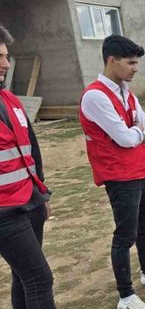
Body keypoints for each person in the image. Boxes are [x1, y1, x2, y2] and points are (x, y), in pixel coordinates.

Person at [79, 35, 145, 309]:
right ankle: (125, 296)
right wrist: (138, 132)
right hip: (120, 176)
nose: (135, 68)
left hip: (143, 170)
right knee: (125, 234)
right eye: (131, 62)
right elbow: (126, 138)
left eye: (137, 62)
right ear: (112, 61)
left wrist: (136, 132)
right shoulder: (95, 96)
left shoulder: (126, 92)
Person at [0, 25, 56, 309]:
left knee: (23, 276)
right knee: (39, 279)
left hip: (29, 201)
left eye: (6, 56)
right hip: (4, 213)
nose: (6, 64)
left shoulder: (11, 101)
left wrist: (41, 195)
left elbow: (31, 152)